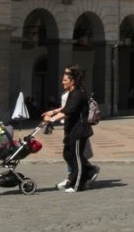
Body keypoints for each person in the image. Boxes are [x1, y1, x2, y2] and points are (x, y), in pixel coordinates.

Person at [42, 65, 99, 193]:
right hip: (71, 130)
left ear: (72, 81)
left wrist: (51, 119)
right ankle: (89, 171)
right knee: (68, 154)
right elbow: (65, 107)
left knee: (76, 157)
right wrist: (52, 112)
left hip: (79, 130)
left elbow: (68, 111)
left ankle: (78, 185)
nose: (62, 82)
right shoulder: (73, 93)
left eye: (65, 80)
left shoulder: (78, 93)